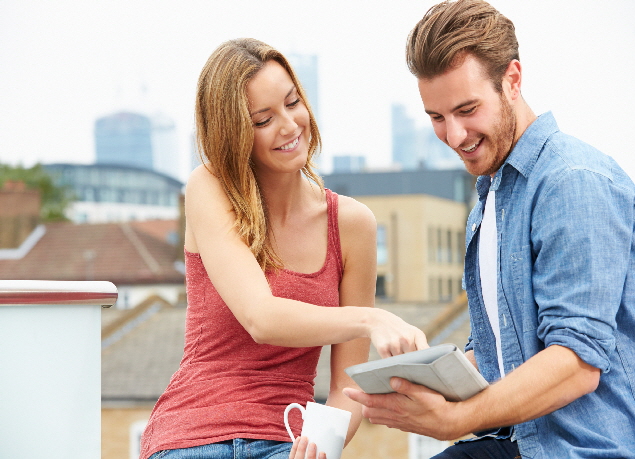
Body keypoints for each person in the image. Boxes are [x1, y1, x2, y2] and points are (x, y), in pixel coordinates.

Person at [343, 0, 635, 458]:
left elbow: (578, 364)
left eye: (467, 109)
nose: (455, 136)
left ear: (512, 80)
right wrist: (423, 382)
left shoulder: (573, 182)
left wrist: (455, 420)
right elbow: (499, 357)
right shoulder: (489, 200)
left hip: (586, 448)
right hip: (517, 441)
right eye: (437, 118)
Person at [138, 38, 427, 459]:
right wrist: (371, 319)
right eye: (262, 119)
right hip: (192, 437)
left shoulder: (352, 225)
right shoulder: (209, 187)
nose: (290, 125)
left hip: (285, 443)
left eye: (293, 102)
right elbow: (261, 317)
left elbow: (348, 387)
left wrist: (319, 446)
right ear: (234, 133)